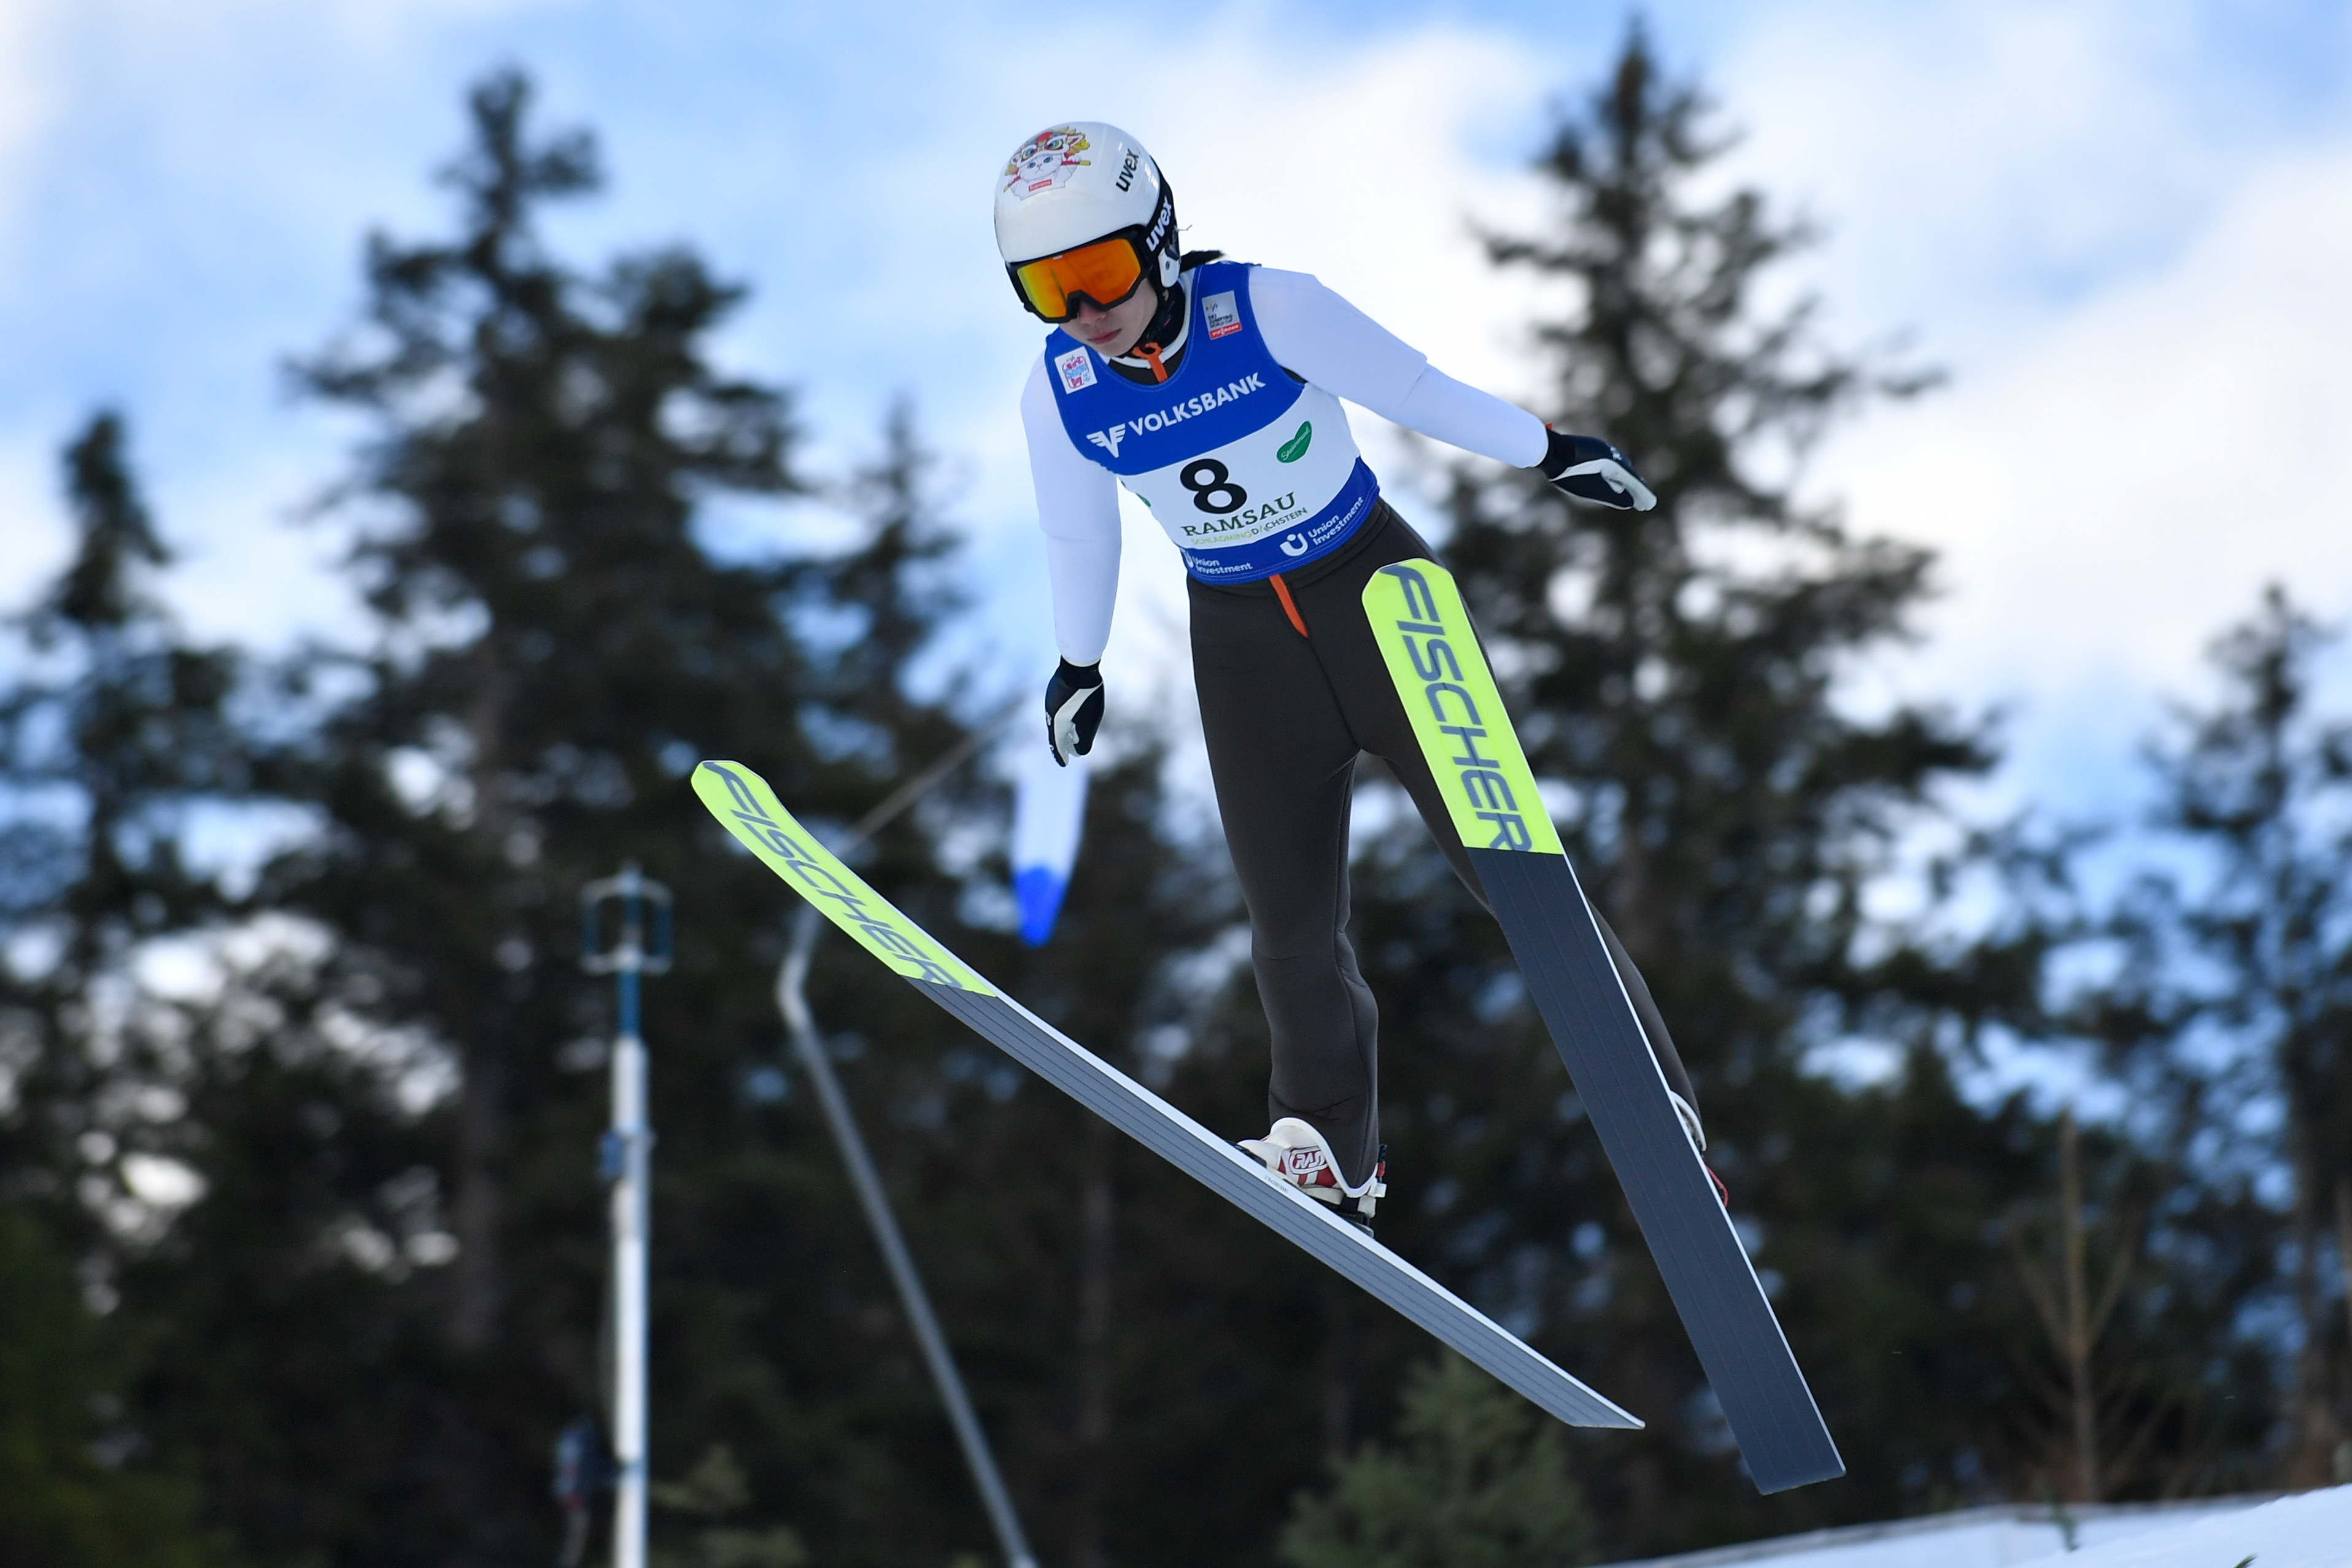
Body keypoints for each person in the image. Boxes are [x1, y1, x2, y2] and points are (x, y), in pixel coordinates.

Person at [999, 122, 1706, 1230]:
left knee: (1506, 861)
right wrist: (1078, 665)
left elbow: (1416, 389)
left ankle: (1654, 1090)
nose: (1087, 310)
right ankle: (1330, 1143)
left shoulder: (1267, 308)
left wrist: (1551, 449)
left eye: (1101, 271)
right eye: (1049, 288)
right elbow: (1080, 541)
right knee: (1287, 919)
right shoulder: (1062, 390)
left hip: (1375, 596)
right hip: (1239, 643)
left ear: (1161, 238)